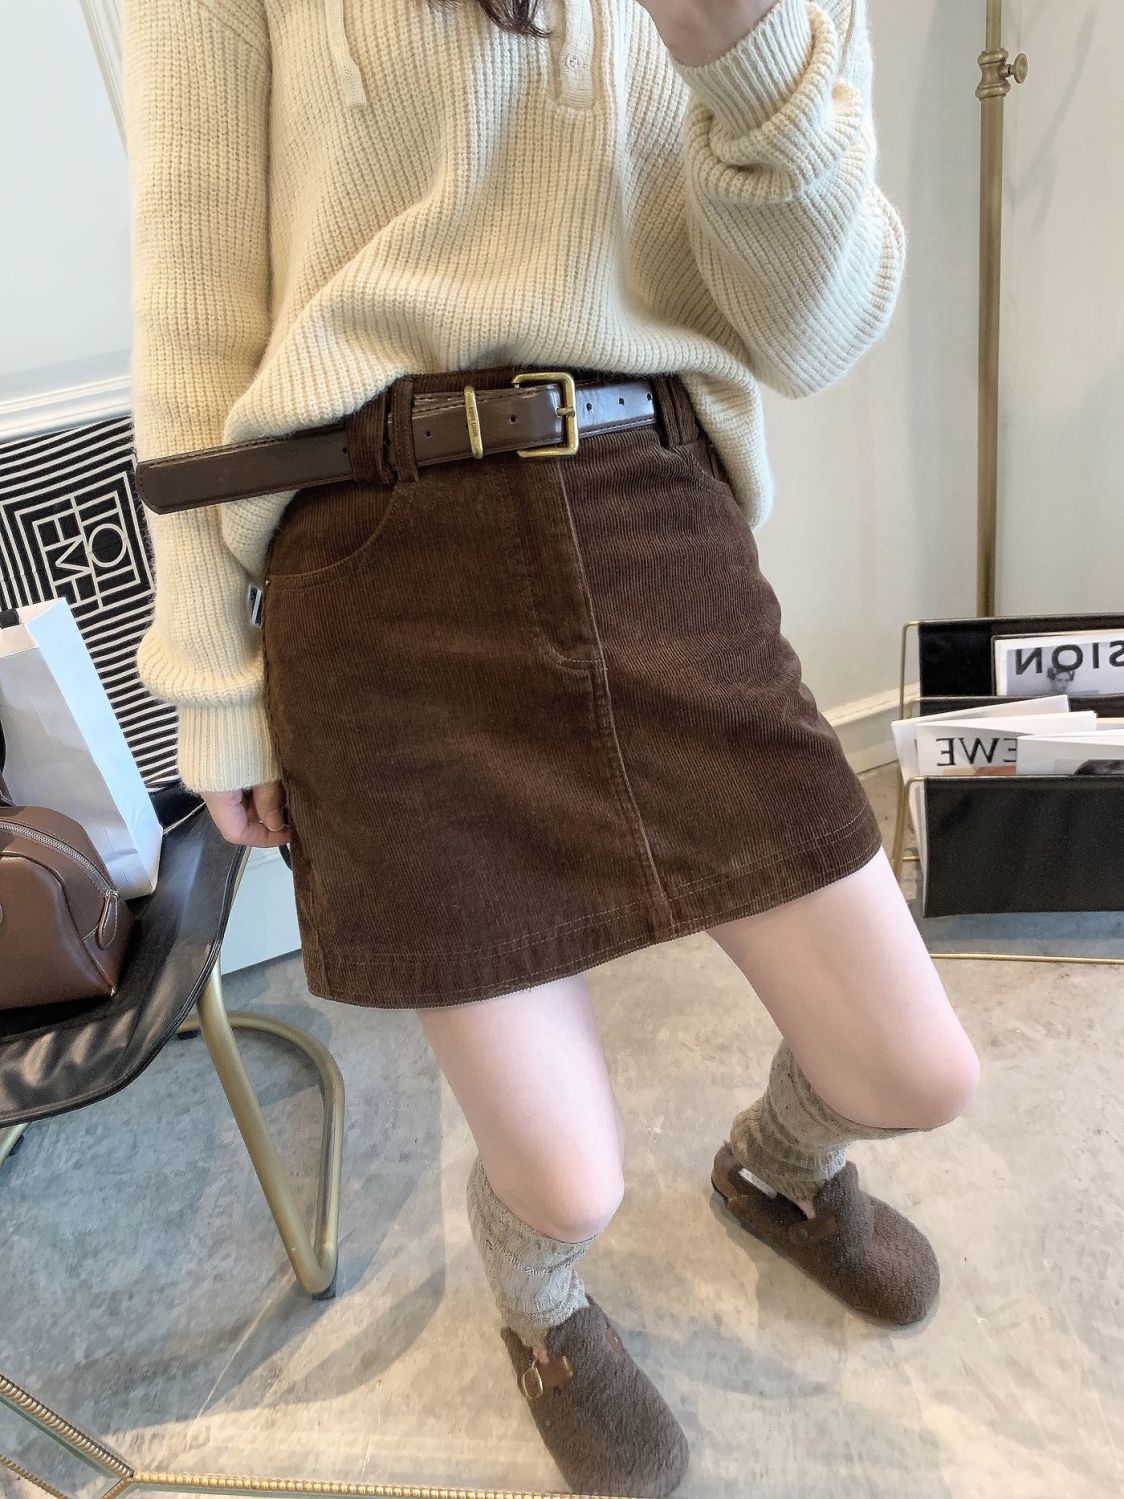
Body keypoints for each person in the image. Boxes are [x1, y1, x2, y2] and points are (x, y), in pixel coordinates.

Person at [122, 0, 980, 1493]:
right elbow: (196, 314)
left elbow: (815, 332)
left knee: (916, 1070)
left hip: (655, 523)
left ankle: (778, 1172)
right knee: (567, 1178)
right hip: (373, 557)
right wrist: (211, 674)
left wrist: (743, 54)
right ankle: (540, 1298)